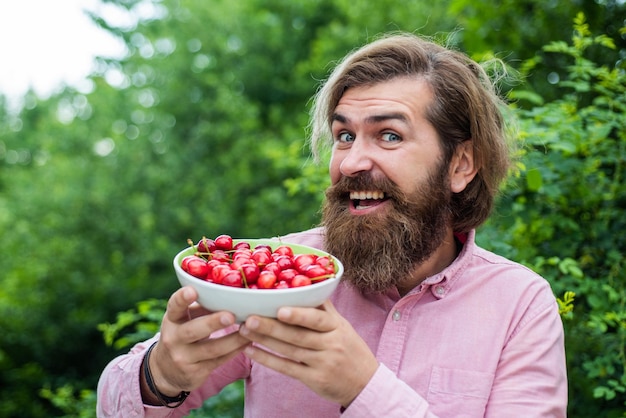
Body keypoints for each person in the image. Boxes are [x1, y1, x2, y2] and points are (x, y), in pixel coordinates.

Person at [97, 32, 568, 417]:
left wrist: (364, 388)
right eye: (345, 136)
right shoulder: (279, 274)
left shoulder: (519, 307)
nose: (352, 162)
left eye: (389, 135)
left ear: (461, 164)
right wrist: (160, 378)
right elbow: (117, 405)